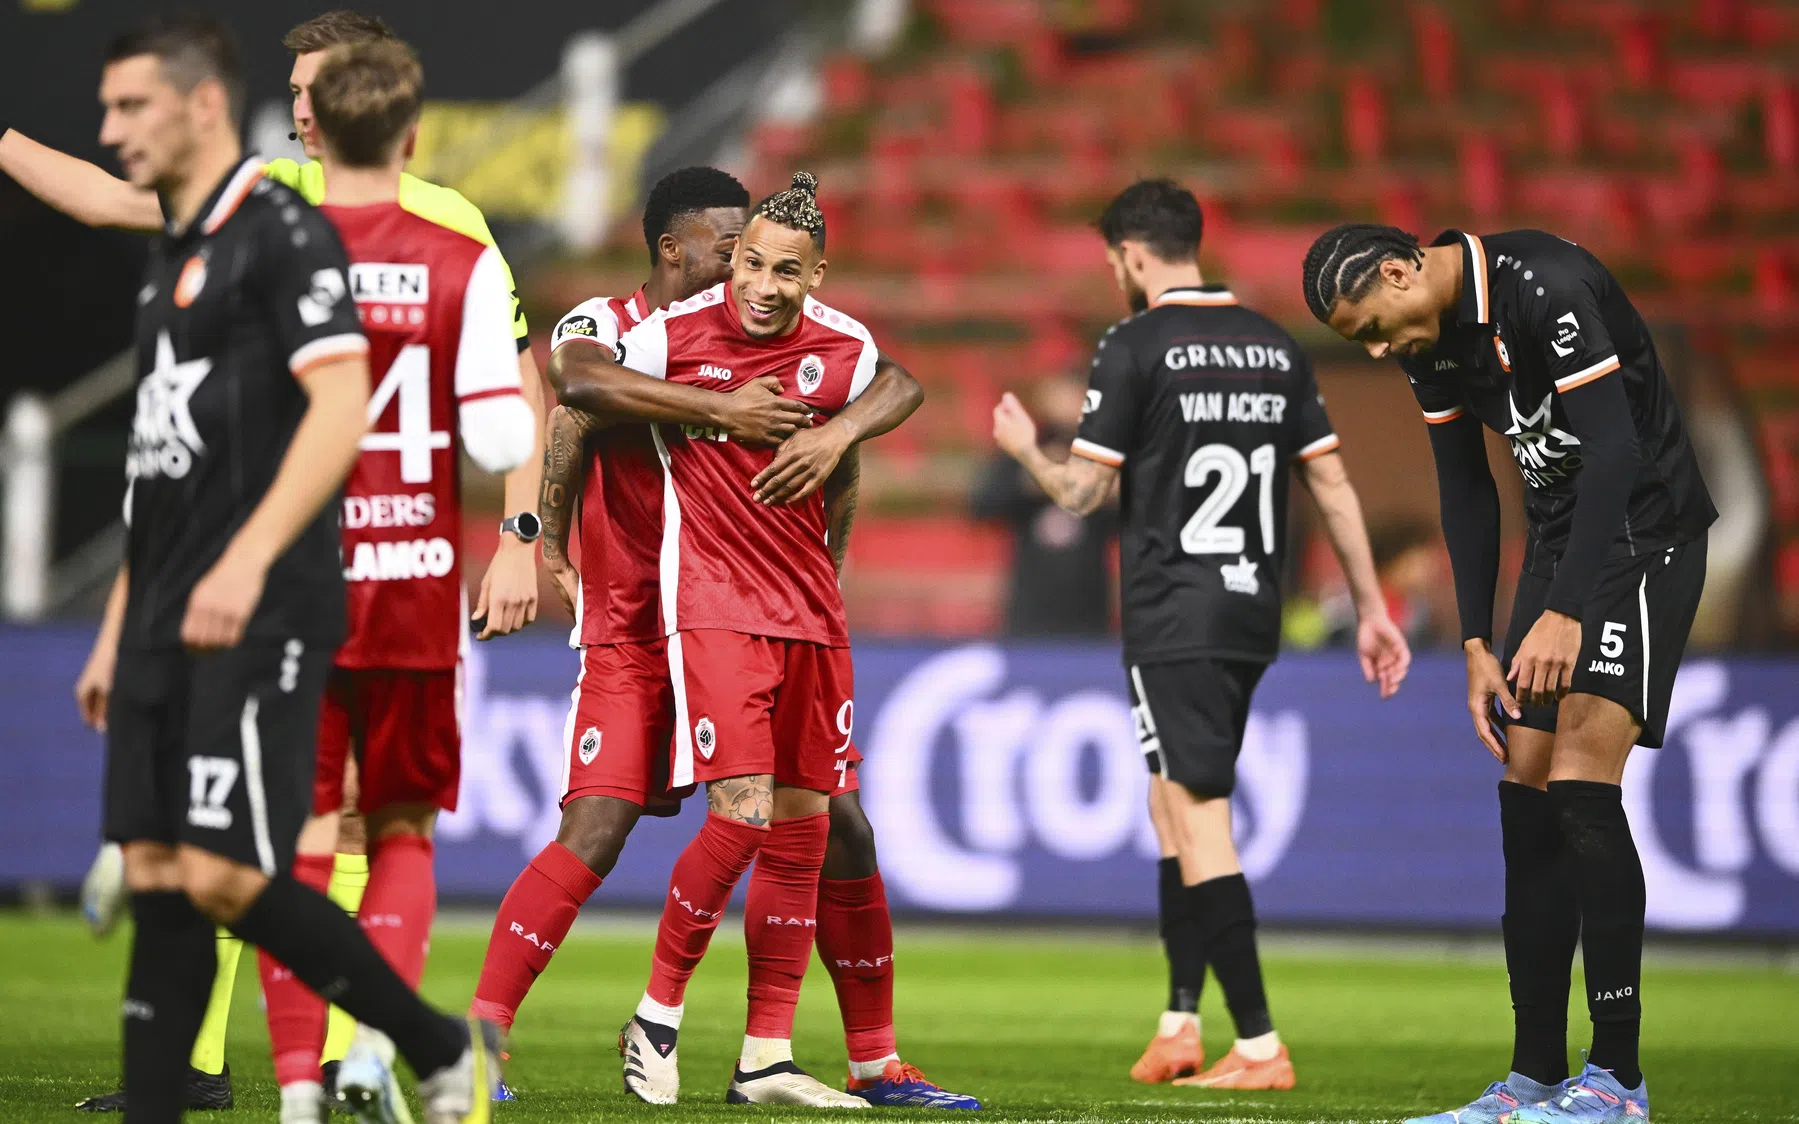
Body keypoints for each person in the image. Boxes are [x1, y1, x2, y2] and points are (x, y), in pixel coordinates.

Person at [12, 10, 546, 1110]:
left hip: (311, 563)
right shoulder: (257, 200)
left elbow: (515, 382)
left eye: (319, 87)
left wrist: (521, 533)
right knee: (259, 829)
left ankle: (330, 1057)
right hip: (278, 562)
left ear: (369, 100)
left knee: (302, 825)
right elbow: (114, 198)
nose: (303, 105)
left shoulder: (391, 218)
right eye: (294, 85)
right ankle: (262, 1060)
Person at [482, 166, 976, 1109]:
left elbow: (849, 432)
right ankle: (483, 1037)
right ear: (678, 248)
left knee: (835, 822)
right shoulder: (613, 326)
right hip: (639, 617)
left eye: (768, 255)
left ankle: (865, 1058)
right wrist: (538, 539)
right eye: (729, 246)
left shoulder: (790, 343)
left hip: (757, 610)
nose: (746, 267)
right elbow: (570, 402)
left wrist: (825, 557)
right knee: (598, 826)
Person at [991, 180, 1410, 1092]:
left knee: (1198, 814)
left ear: (1133, 257)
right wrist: (1371, 607)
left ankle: (1258, 1045)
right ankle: (1180, 1020)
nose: (1116, 277)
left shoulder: (1134, 343)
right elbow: (1331, 485)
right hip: (1249, 610)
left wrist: (1026, 448)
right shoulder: (1272, 345)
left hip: (1173, 610)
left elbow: (1082, 493)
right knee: (1166, 802)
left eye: (1113, 263)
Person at [1303, 223, 1714, 1124]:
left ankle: (1615, 1081)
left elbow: (1615, 452)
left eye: (1370, 324)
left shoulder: (1546, 285)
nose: (1376, 348)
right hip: (1560, 543)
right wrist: (1478, 641)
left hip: (1643, 534)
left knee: (1576, 784)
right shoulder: (1429, 343)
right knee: (1521, 790)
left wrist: (1565, 613)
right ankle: (1530, 1079)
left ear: (1402, 270)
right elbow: (1465, 484)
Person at [258, 38, 533, 1124]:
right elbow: (502, 425)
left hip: (297, 583)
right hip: (412, 582)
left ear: (312, 124)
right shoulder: (456, 256)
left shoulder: (271, 245)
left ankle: (293, 1091)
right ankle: (372, 1050)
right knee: (402, 833)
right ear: (412, 135)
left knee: (300, 844)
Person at [971, 373, 1117, 637]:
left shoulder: (1105, 455)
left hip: (1089, 607)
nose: (1071, 406)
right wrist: (1034, 478)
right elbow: (982, 507)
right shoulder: (1023, 449)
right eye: (1063, 396)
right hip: (1030, 605)